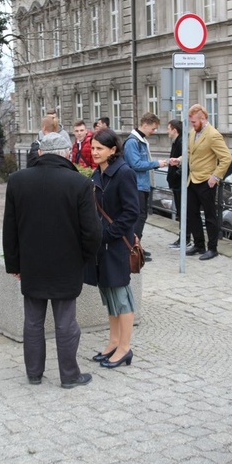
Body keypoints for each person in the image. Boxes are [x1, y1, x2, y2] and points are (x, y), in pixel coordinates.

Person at [3, 132, 102, 389]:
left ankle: (34, 373)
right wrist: (84, 259)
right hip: (67, 263)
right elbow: (91, 232)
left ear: (39, 153)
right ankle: (69, 375)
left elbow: (9, 228)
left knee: (33, 321)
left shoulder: (17, 180)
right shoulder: (79, 183)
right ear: (67, 153)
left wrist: (14, 264)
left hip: (31, 263)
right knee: (66, 323)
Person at [85, 128, 139, 368]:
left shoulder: (123, 173)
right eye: (93, 148)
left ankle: (125, 348)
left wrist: (107, 234)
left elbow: (131, 212)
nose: (94, 152)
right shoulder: (100, 173)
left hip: (116, 245)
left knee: (122, 297)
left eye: (99, 148)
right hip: (102, 246)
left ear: (113, 150)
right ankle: (114, 342)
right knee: (109, 296)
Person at [170, 105, 232, 261]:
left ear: (203, 119)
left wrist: (215, 177)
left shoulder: (213, 135)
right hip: (192, 179)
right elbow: (189, 153)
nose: (192, 124)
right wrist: (179, 160)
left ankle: (212, 248)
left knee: (210, 216)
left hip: (206, 182)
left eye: (194, 122)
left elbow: (226, 158)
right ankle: (199, 245)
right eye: (191, 122)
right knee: (192, 214)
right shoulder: (192, 133)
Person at [123, 112, 167, 262]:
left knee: (141, 216)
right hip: (137, 185)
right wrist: (157, 163)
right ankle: (133, 249)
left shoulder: (139, 140)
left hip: (142, 185)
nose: (153, 132)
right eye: (153, 128)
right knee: (138, 217)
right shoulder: (132, 142)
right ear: (145, 124)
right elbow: (135, 164)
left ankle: (137, 246)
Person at [165, 119, 189, 249]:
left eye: (169, 128)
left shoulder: (180, 142)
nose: (167, 131)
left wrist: (176, 175)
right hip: (176, 182)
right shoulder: (177, 141)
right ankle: (183, 238)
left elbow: (184, 162)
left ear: (175, 130)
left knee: (183, 211)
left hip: (180, 183)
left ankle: (185, 239)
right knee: (181, 211)